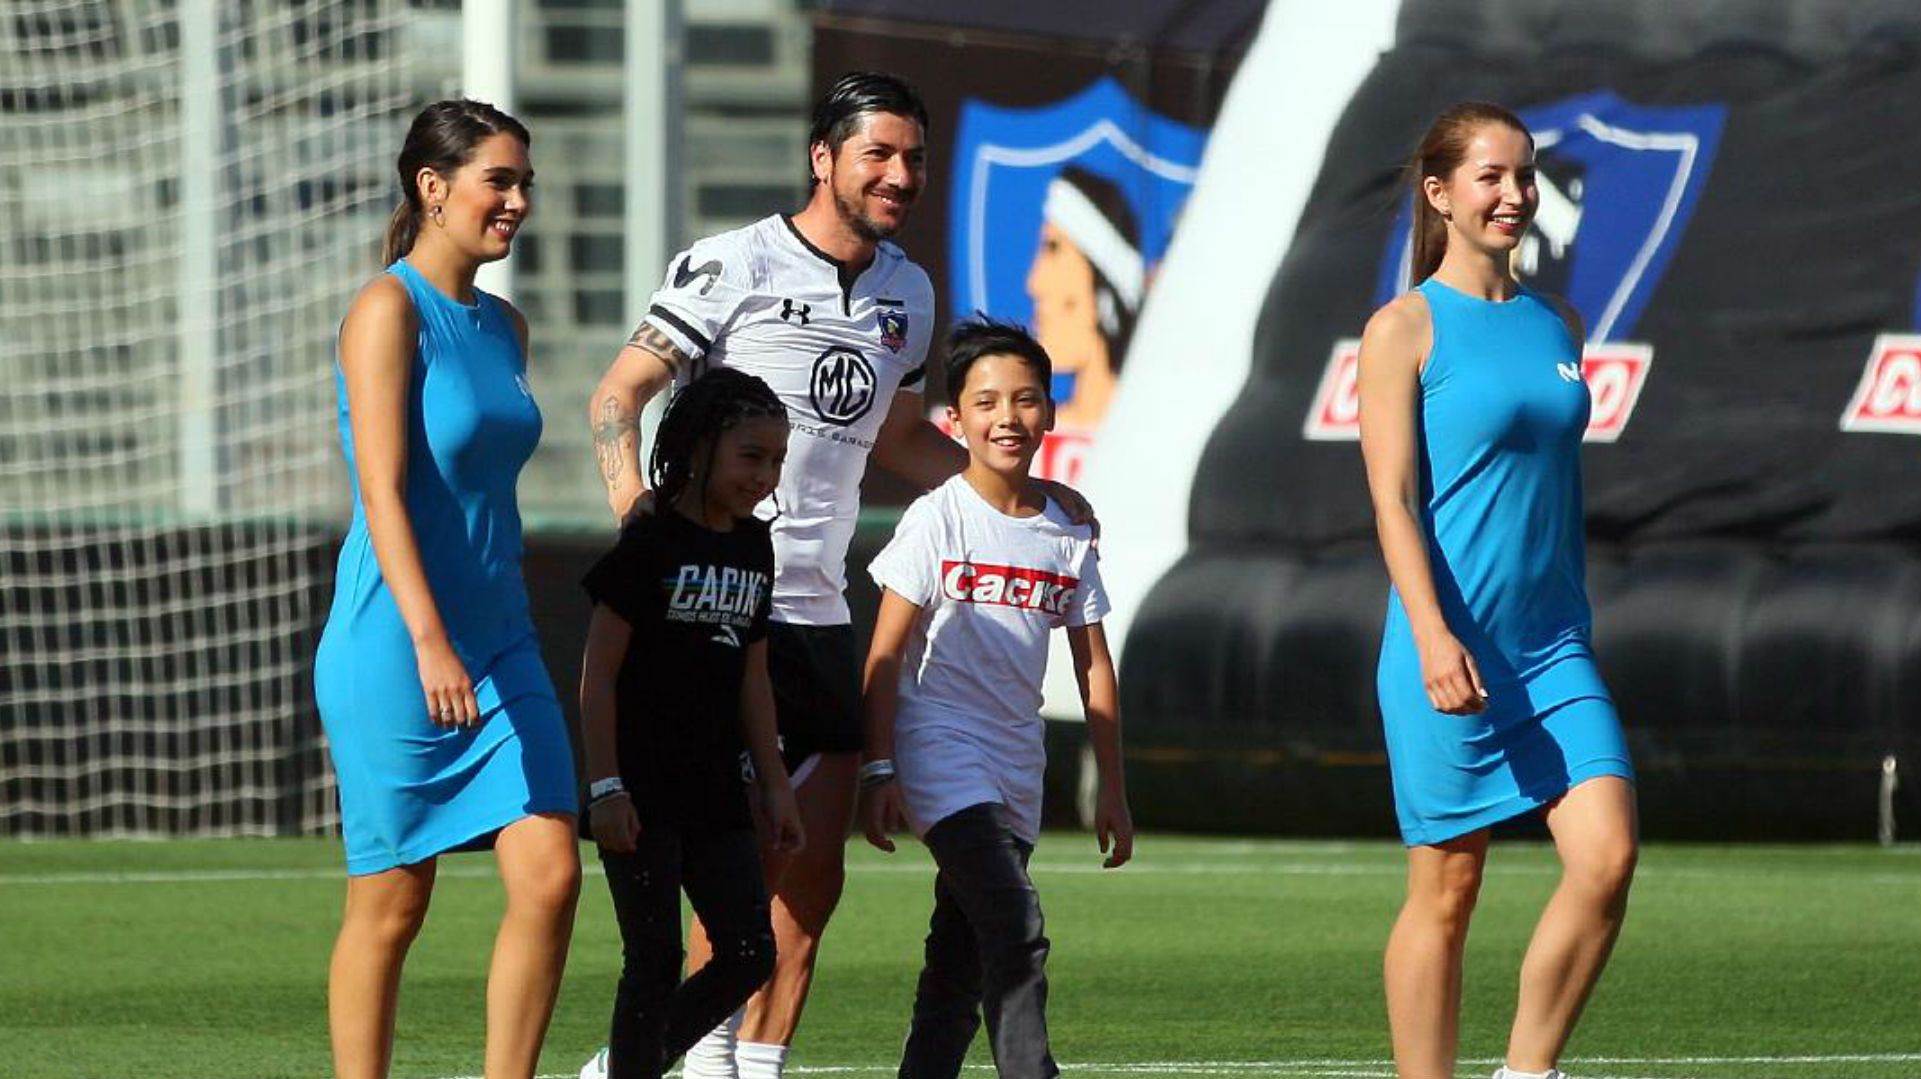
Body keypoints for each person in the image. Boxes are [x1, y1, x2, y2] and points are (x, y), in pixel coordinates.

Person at [587, 71, 1090, 1079]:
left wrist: (1020, 496)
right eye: (878, 153)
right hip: (725, 618)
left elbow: (901, 438)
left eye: (912, 156)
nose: (899, 174)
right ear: (824, 157)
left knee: (812, 880)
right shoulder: (733, 262)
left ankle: (738, 1066)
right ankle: (667, 1063)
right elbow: (620, 393)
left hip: (822, 614)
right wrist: (647, 527)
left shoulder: (909, 289)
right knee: (735, 879)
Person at [1355, 101, 1639, 1079]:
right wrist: (1432, 634)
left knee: (1605, 856)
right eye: (1491, 176)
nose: (1515, 194)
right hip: (1449, 642)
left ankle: (1525, 1072)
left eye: (1524, 175)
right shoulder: (1401, 328)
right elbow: (1391, 500)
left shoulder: (1555, 320)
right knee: (1447, 889)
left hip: (1554, 643)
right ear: (1438, 193)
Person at [312, 99, 579, 1079]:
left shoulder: (505, 325)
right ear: (433, 187)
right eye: (498, 181)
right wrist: (428, 640)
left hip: (502, 637)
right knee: (392, 902)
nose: (517, 201)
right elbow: (380, 488)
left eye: (524, 184)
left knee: (550, 872)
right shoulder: (385, 308)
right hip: (394, 640)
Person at [860, 317, 1133, 1079]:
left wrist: (1111, 784)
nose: (1006, 417)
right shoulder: (936, 517)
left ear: (1049, 410)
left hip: (1017, 760)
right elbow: (884, 653)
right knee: (1013, 921)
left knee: (958, 958)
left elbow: (1094, 666)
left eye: (1024, 399)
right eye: (984, 402)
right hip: (938, 748)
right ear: (955, 420)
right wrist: (879, 767)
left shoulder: (1067, 531)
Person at [578, 367, 807, 1079]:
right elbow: (597, 677)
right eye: (751, 455)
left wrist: (775, 785)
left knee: (747, 952)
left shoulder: (754, 547)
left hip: (715, 789)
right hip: (640, 788)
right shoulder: (648, 542)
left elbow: (753, 677)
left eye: (776, 459)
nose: (765, 475)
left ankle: (627, 1064)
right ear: (702, 444)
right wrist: (606, 787)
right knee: (651, 959)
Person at [1024, 165, 1142, 432]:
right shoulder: (1031, 437)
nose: (1033, 284)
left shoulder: (1151, 432)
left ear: (1106, 287)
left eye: (1053, 250)